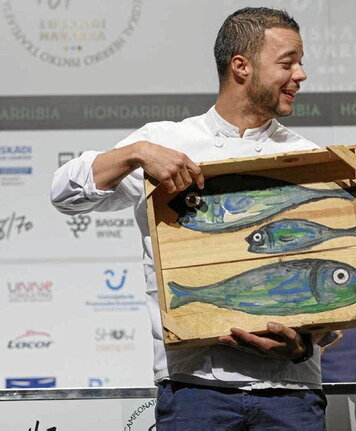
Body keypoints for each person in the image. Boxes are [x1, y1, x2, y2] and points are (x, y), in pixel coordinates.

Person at [51, 8, 330, 430]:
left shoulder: (311, 159)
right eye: (288, 62)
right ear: (242, 66)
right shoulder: (164, 143)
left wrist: (305, 345)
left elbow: (328, 291)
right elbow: (65, 194)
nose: (301, 74)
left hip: (291, 393)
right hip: (195, 391)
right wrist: (134, 153)